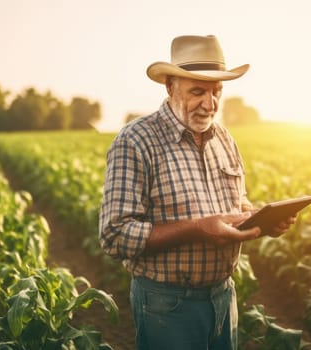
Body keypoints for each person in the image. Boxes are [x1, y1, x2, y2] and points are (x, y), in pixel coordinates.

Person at [99, 34, 295, 350]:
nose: (210, 103)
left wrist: (261, 220)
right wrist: (196, 229)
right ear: (170, 86)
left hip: (223, 297)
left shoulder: (224, 140)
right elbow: (115, 235)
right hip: (167, 305)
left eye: (217, 91)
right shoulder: (135, 142)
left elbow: (236, 202)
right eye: (198, 91)